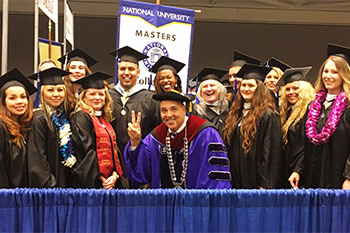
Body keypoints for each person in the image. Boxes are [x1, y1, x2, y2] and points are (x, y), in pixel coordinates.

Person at [124, 91, 231, 189]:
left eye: (173, 109)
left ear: (184, 110)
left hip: (196, 204)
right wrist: (135, 141)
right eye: (164, 110)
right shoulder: (156, 137)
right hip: (165, 205)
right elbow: (140, 172)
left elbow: (216, 177)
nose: (169, 115)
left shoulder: (205, 134)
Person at [222, 64, 284, 189]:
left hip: (255, 179)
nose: (246, 89)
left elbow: (271, 153)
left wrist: (265, 184)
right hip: (236, 178)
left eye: (251, 86)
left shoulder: (268, 115)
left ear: (259, 88)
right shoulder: (236, 113)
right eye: (243, 85)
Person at [303, 43, 350, 189]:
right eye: (325, 71)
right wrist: (297, 170)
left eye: (335, 72)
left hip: (338, 178)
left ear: (344, 75)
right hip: (312, 175)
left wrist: (348, 178)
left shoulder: (348, 107)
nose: (328, 76)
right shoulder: (313, 106)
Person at [70, 72, 126, 189]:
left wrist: (115, 175)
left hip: (111, 182)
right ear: (84, 97)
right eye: (92, 94)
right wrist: (100, 177)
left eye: (101, 94)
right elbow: (85, 151)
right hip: (93, 184)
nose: (97, 97)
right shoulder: (81, 117)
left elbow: (115, 150)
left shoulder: (104, 119)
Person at [27, 67, 77, 188]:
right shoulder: (39, 119)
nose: (56, 94)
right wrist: (52, 187)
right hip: (49, 190)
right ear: (42, 92)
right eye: (50, 90)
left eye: (60, 90)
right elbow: (38, 161)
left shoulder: (61, 117)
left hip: (62, 185)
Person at [109, 46, 161, 155]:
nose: (126, 73)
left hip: (141, 158)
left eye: (131, 69)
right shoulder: (107, 96)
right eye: (122, 69)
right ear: (117, 71)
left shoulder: (150, 99)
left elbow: (157, 133)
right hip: (111, 158)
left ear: (138, 72)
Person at [278, 67, 315, 188]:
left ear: (304, 90)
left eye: (295, 88)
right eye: (287, 89)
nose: (290, 92)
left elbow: (305, 146)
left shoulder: (309, 112)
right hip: (288, 169)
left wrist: (298, 169)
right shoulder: (287, 113)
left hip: (301, 171)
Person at [0, 68, 36, 188]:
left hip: (21, 195)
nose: (19, 101)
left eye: (23, 97)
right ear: (3, 102)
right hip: (7, 198)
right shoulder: (1, 127)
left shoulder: (25, 127)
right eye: (12, 98)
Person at [193, 68, 228, 136]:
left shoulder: (229, 110)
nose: (209, 89)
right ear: (200, 92)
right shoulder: (195, 112)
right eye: (205, 86)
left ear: (220, 89)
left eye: (212, 85)